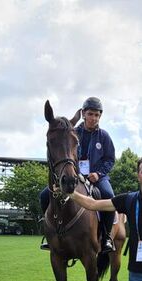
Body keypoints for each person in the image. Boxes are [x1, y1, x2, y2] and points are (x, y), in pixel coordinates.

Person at [40, 96, 116, 253]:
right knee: (44, 195)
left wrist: (99, 173)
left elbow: (110, 159)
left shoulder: (104, 136)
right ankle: (49, 234)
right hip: (76, 175)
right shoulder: (73, 132)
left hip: (97, 178)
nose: (93, 118)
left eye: (97, 115)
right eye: (90, 114)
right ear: (83, 114)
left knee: (108, 195)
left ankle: (107, 237)